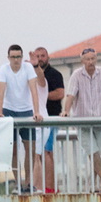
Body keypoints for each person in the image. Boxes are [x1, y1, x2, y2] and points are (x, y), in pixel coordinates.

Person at [61, 47, 101, 191]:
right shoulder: (76, 75)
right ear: (82, 61)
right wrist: (66, 111)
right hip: (82, 122)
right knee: (93, 152)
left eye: (92, 58)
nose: (90, 62)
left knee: (99, 153)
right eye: (87, 59)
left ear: (96, 59)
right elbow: (70, 95)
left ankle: (94, 185)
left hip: (100, 121)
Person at [0, 44, 43, 194]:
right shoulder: (4, 69)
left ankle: (28, 184)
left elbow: (34, 90)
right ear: (8, 57)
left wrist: (36, 111)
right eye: (13, 57)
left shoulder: (28, 68)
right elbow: (1, 92)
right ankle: (18, 183)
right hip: (9, 110)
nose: (16, 60)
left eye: (18, 57)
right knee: (13, 150)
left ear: (22, 57)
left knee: (31, 149)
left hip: (27, 111)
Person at [33, 47, 64, 192]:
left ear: (48, 57)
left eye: (42, 56)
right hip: (37, 119)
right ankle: (38, 185)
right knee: (37, 153)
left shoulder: (55, 74)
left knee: (47, 152)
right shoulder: (31, 75)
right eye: (37, 56)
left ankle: (50, 188)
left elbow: (60, 93)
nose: (40, 58)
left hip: (51, 117)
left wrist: (40, 96)